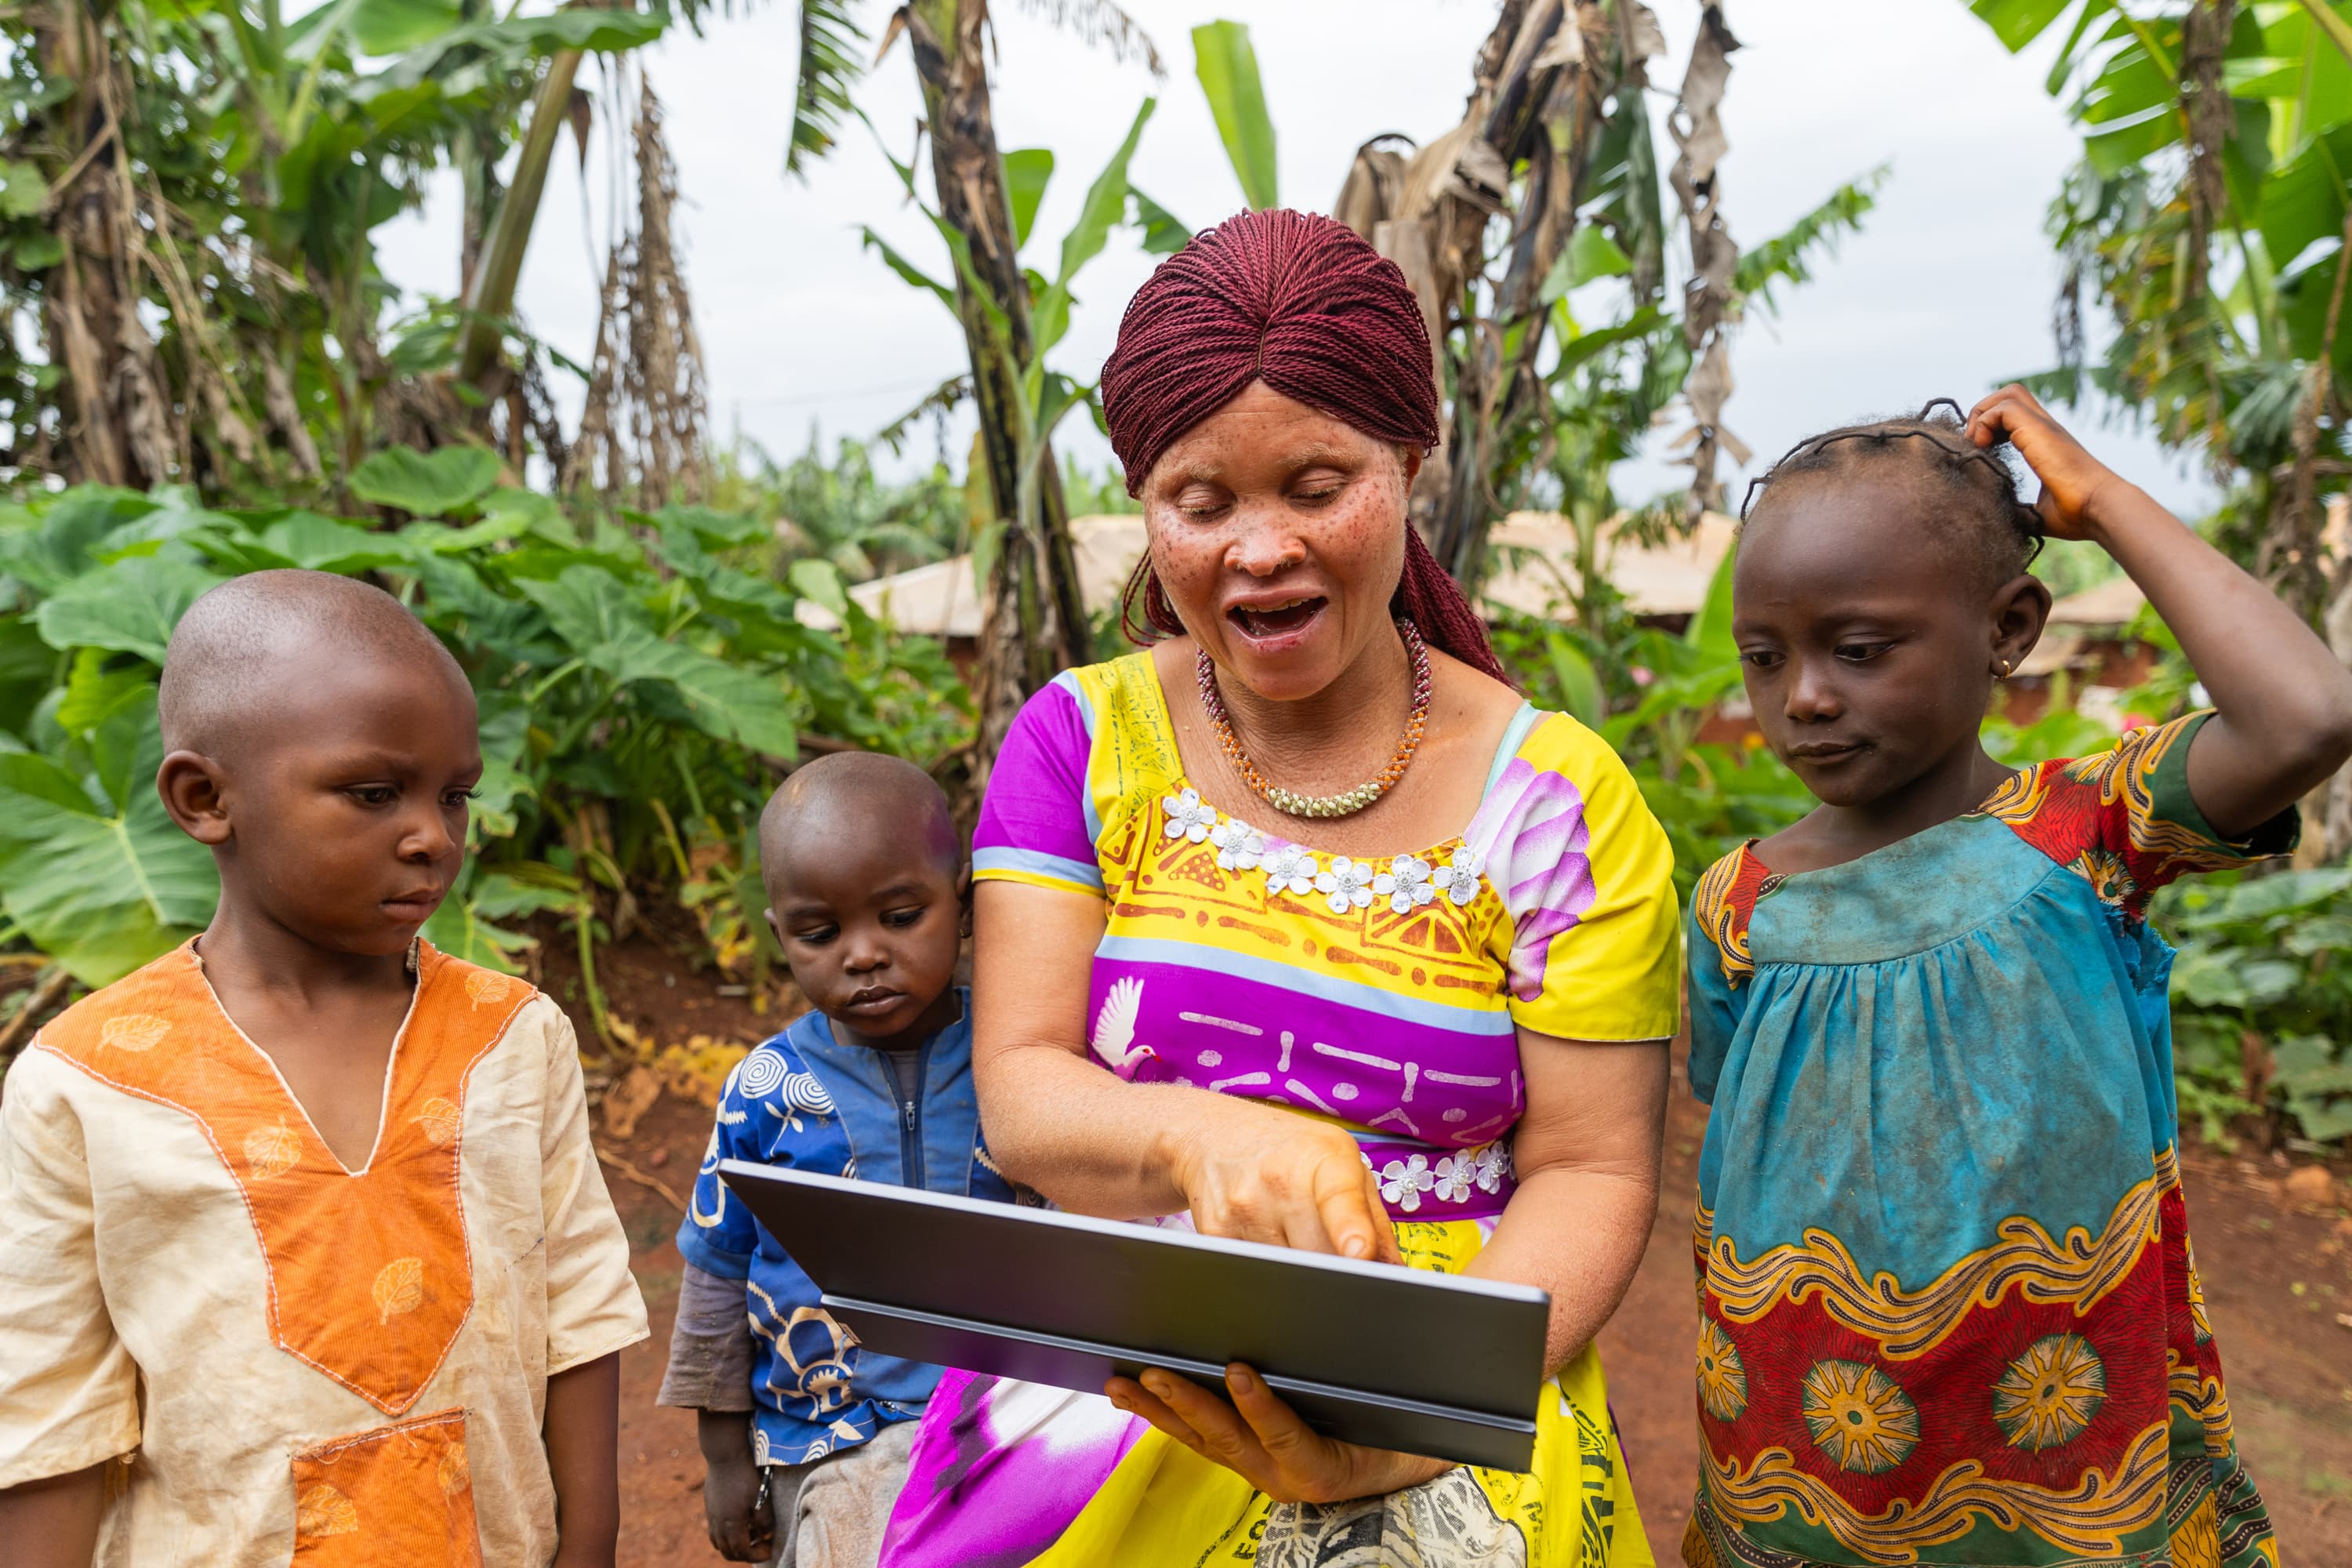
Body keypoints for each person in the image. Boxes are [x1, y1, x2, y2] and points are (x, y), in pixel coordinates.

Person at [877, 208, 1680, 1568]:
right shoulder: (1077, 747)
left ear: (1409, 463)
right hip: (1116, 1385)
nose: (1260, 549)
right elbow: (1018, 1093)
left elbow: (1593, 1170)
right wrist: (1209, 1141)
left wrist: (1409, 1421)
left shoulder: (1557, 804)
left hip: (1451, 1388)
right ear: (1146, 505)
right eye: (1202, 503)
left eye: (1318, 487)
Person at [1682, 386, 2352, 1568]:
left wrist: (2103, 502)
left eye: (1859, 647)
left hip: (2065, 1454)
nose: (1805, 699)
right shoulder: (1743, 901)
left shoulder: (2091, 830)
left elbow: (2305, 717)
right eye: (1764, 657)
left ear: (2012, 627)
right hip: (1801, 1457)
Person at [0, 569, 648, 1567]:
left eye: (455, 794)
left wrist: (588, 1547)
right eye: (375, 792)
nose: (434, 833)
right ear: (204, 797)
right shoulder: (85, 1083)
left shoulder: (512, 1037)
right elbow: (51, 1419)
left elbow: (578, 1314)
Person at [661, 752, 1020, 1568]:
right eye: (822, 933)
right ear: (781, 933)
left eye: (900, 917)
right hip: (825, 1432)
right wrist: (724, 1457)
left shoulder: (1014, 1053)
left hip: (997, 1416)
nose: (863, 954)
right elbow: (716, 1275)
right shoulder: (766, 1090)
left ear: (960, 904)